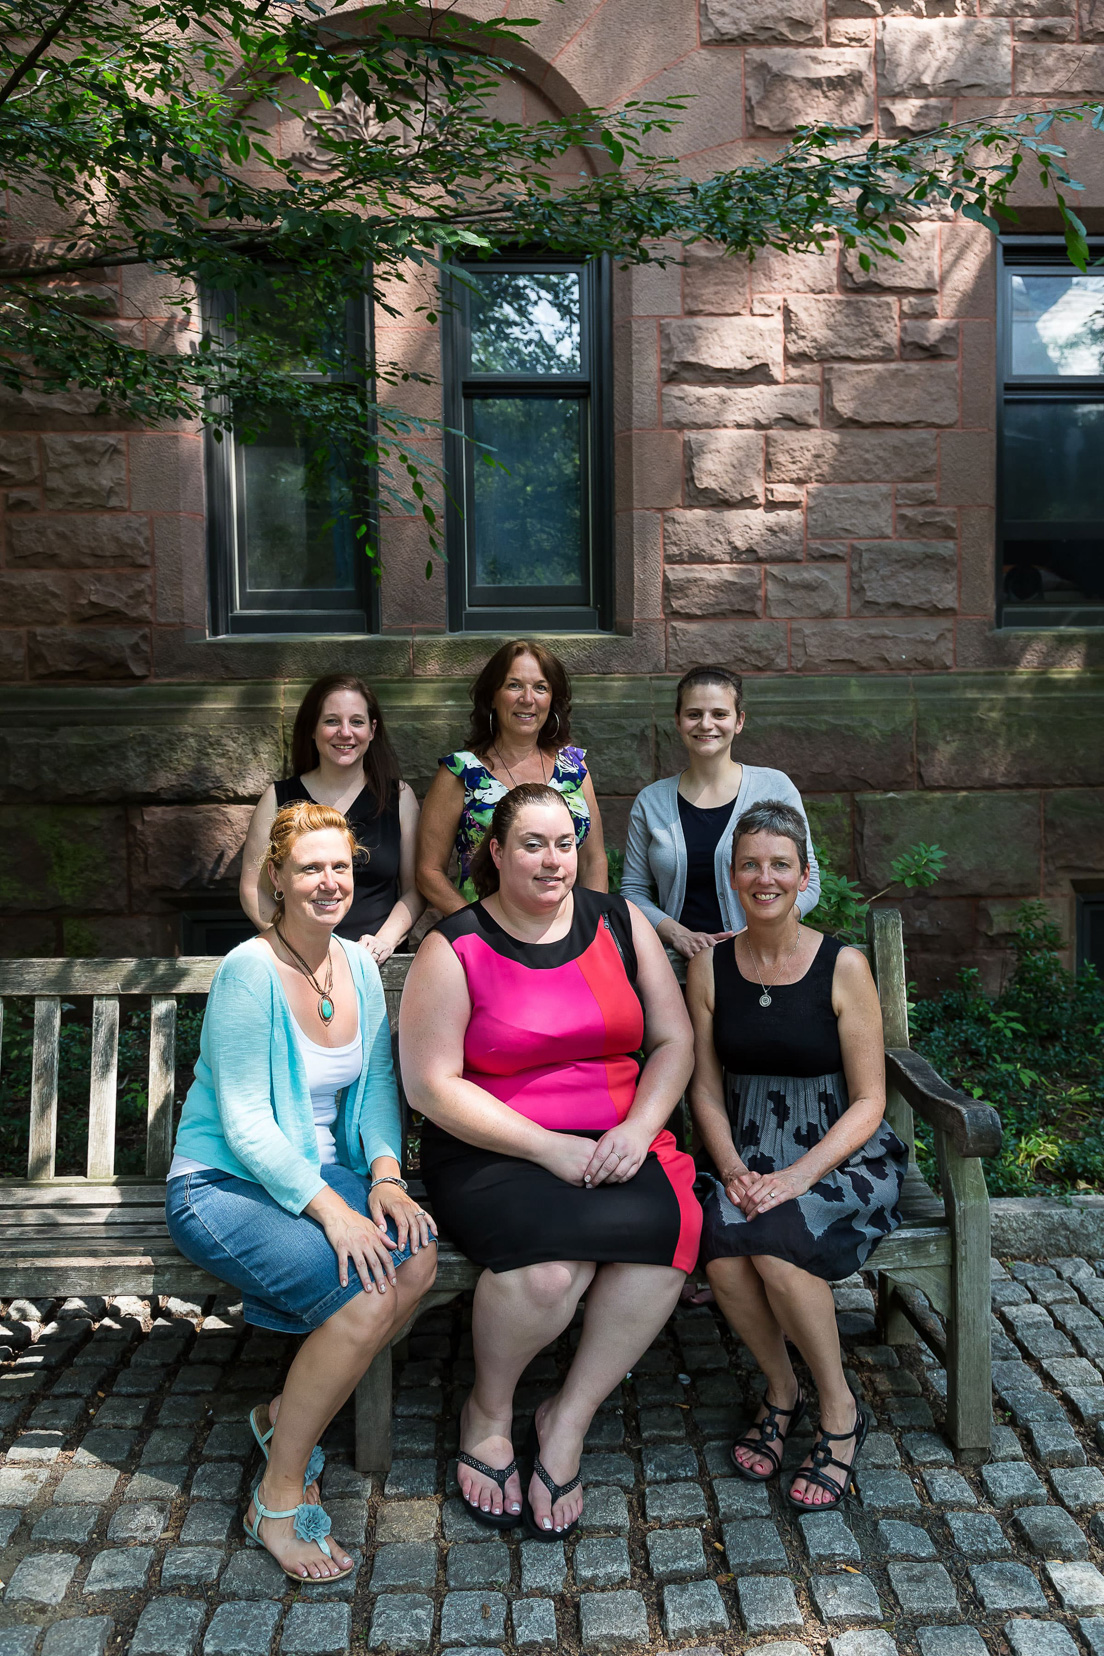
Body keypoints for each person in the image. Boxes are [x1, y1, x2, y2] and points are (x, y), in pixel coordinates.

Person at [400, 784, 699, 1539]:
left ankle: (566, 1418)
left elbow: (672, 1041)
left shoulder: (617, 921)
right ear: (496, 854)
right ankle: (489, 1411)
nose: (552, 860)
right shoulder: (455, 944)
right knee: (548, 1273)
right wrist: (546, 1147)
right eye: (532, 844)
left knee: (662, 1246)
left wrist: (638, 1128)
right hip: (495, 1148)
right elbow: (430, 1085)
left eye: (564, 843)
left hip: (619, 1138)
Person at [167, 801, 437, 1580]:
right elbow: (248, 1125)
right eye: (310, 868)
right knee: (363, 1294)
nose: (329, 882)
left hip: (330, 1175)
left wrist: (383, 1180)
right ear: (277, 879)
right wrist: (333, 1213)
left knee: (414, 1258)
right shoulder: (249, 971)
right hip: (225, 1184)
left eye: (341, 868)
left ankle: (285, 1412)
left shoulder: (357, 962)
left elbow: (380, 1084)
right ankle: (277, 1497)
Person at [686, 800, 907, 1512]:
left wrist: (796, 1177)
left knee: (780, 1244)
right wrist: (733, 1171)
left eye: (780, 864)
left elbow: (871, 1100)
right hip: (745, 1150)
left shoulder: (842, 965)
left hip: (839, 1155)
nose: (765, 876)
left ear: (804, 875)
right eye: (750, 864)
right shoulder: (712, 968)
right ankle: (781, 1390)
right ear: (732, 875)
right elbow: (706, 1090)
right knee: (720, 1245)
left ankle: (839, 1412)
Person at [622, 667, 821, 961]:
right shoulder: (651, 802)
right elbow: (633, 890)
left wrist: (759, 928)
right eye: (693, 714)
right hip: (675, 966)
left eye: (719, 714)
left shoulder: (775, 787)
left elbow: (810, 880)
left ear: (738, 721)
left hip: (760, 959)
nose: (706, 724)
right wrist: (676, 933)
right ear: (678, 721)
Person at [240, 673, 424, 965]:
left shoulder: (400, 797)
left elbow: (415, 891)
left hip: (377, 965)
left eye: (357, 721)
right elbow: (254, 889)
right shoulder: (277, 797)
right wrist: (290, 946)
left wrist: (383, 943)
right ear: (312, 730)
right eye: (331, 721)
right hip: (300, 965)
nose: (345, 732)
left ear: (372, 729)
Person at [415, 640, 606, 915]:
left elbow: (593, 861)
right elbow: (428, 872)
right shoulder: (461, 772)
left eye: (540, 687)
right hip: (488, 936)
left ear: (552, 699)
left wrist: (589, 925)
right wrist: (479, 930)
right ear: (492, 696)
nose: (528, 699)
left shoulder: (573, 768)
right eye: (514, 685)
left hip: (566, 932)